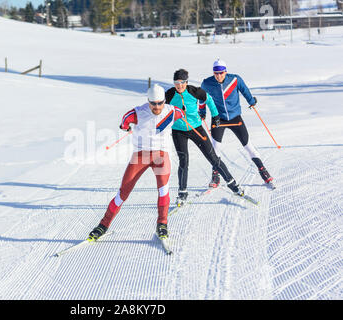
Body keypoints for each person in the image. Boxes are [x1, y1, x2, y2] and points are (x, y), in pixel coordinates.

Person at [88, 84, 185, 242]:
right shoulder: (138, 113)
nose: (157, 107)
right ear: (148, 101)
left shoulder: (172, 111)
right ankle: (103, 226)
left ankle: (162, 224)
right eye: (153, 103)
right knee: (122, 194)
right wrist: (125, 127)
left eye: (160, 103)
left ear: (164, 101)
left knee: (163, 189)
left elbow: (182, 113)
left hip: (161, 155)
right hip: (141, 155)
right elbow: (125, 121)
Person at [166, 69, 245, 206]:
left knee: (213, 157)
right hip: (178, 131)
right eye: (177, 83)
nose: (180, 86)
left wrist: (215, 116)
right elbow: (159, 109)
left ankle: (233, 185)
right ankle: (182, 193)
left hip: (196, 128)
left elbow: (209, 99)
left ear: (186, 82)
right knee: (183, 161)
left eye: (182, 82)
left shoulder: (194, 91)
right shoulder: (169, 94)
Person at [199, 59, 273, 188]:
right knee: (215, 148)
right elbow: (202, 98)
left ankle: (263, 170)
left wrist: (251, 101)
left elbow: (244, 90)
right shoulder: (207, 83)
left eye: (221, 73)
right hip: (218, 119)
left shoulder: (235, 79)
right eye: (216, 73)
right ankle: (215, 175)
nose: (218, 75)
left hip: (235, 118)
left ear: (225, 71)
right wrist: (202, 111)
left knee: (248, 145)